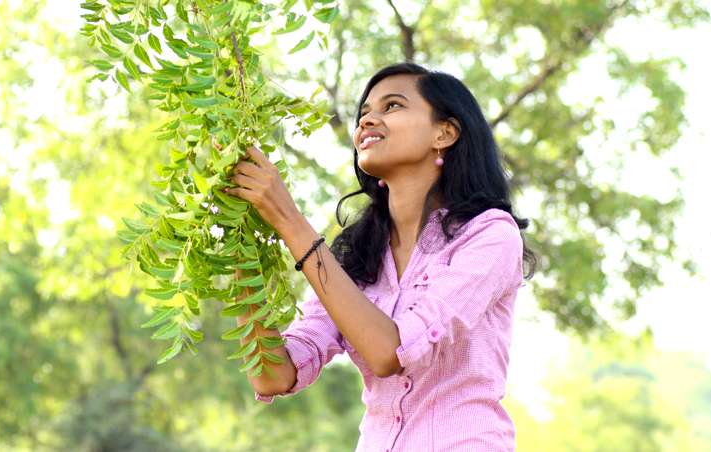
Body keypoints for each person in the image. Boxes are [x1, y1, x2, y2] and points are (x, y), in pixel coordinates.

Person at [224, 62, 537, 451]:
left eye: (392, 106)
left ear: (445, 132)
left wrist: (288, 220)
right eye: (364, 113)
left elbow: (391, 352)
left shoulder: (489, 236)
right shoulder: (360, 254)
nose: (368, 120)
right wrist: (239, 246)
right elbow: (273, 375)